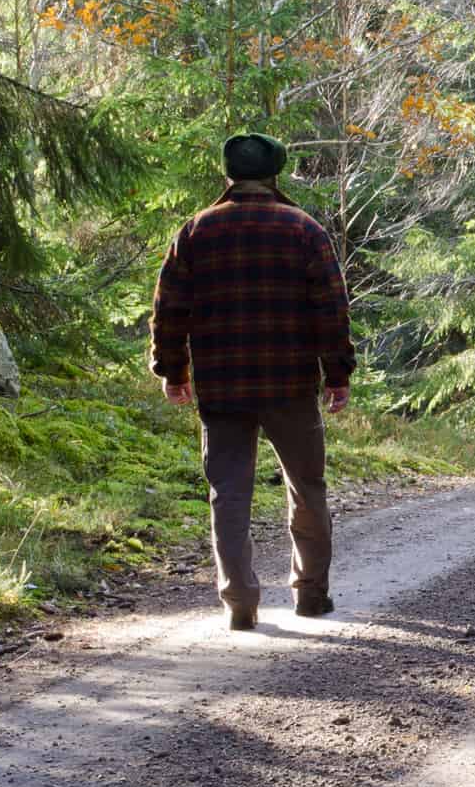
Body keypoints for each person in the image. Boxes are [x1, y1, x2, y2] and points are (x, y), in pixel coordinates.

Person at [149, 132, 355, 632]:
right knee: (307, 488)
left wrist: (172, 370)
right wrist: (338, 374)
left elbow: (169, 309)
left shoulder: (196, 231)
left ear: (228, 175)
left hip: (223, 385)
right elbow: (331, 309)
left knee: (229, 491)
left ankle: (240, 603)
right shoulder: (305, 230)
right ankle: (310, 595)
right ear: (275, 175)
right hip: (290, 384)